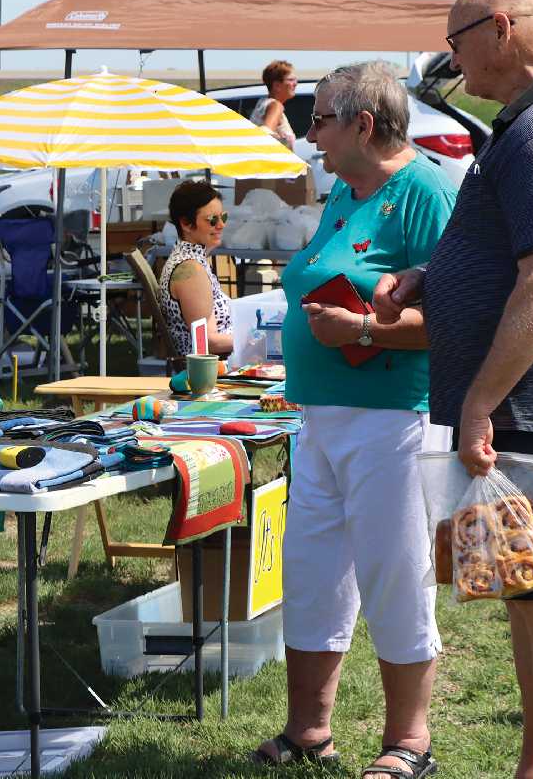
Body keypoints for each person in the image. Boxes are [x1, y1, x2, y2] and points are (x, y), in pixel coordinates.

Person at [374, 0, 533, 779]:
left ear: (501, 28)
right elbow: (512, 252)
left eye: (457, 40)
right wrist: (432, 274)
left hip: (532, 401)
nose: (451, 60)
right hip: (526, 399)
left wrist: (481, 399)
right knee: (523, 585)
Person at [251, 61, 455, 779]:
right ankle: (309, 730)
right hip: (325, 417)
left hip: (394, 417)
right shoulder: (346, 189)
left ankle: (411, 741)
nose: (310, 135)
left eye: (320, 120)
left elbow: (459, 317)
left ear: (363, 125)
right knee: (312, 573)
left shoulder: (427, 191)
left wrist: (363, 332)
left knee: (395, 573)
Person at [158, 181, 233, 357]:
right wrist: (262, 341)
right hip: (213, 372)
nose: (221, 225)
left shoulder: (190, 260)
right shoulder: (191, 271)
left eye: (223, 217)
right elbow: (207, 342)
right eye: (213, 220)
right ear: (186, 224)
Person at [251, 60, 298, 149]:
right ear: (276, 85)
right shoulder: (275, 106)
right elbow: (265, 132)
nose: (295, 84)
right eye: (290, 80)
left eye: (295, 80)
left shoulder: (263, 103)